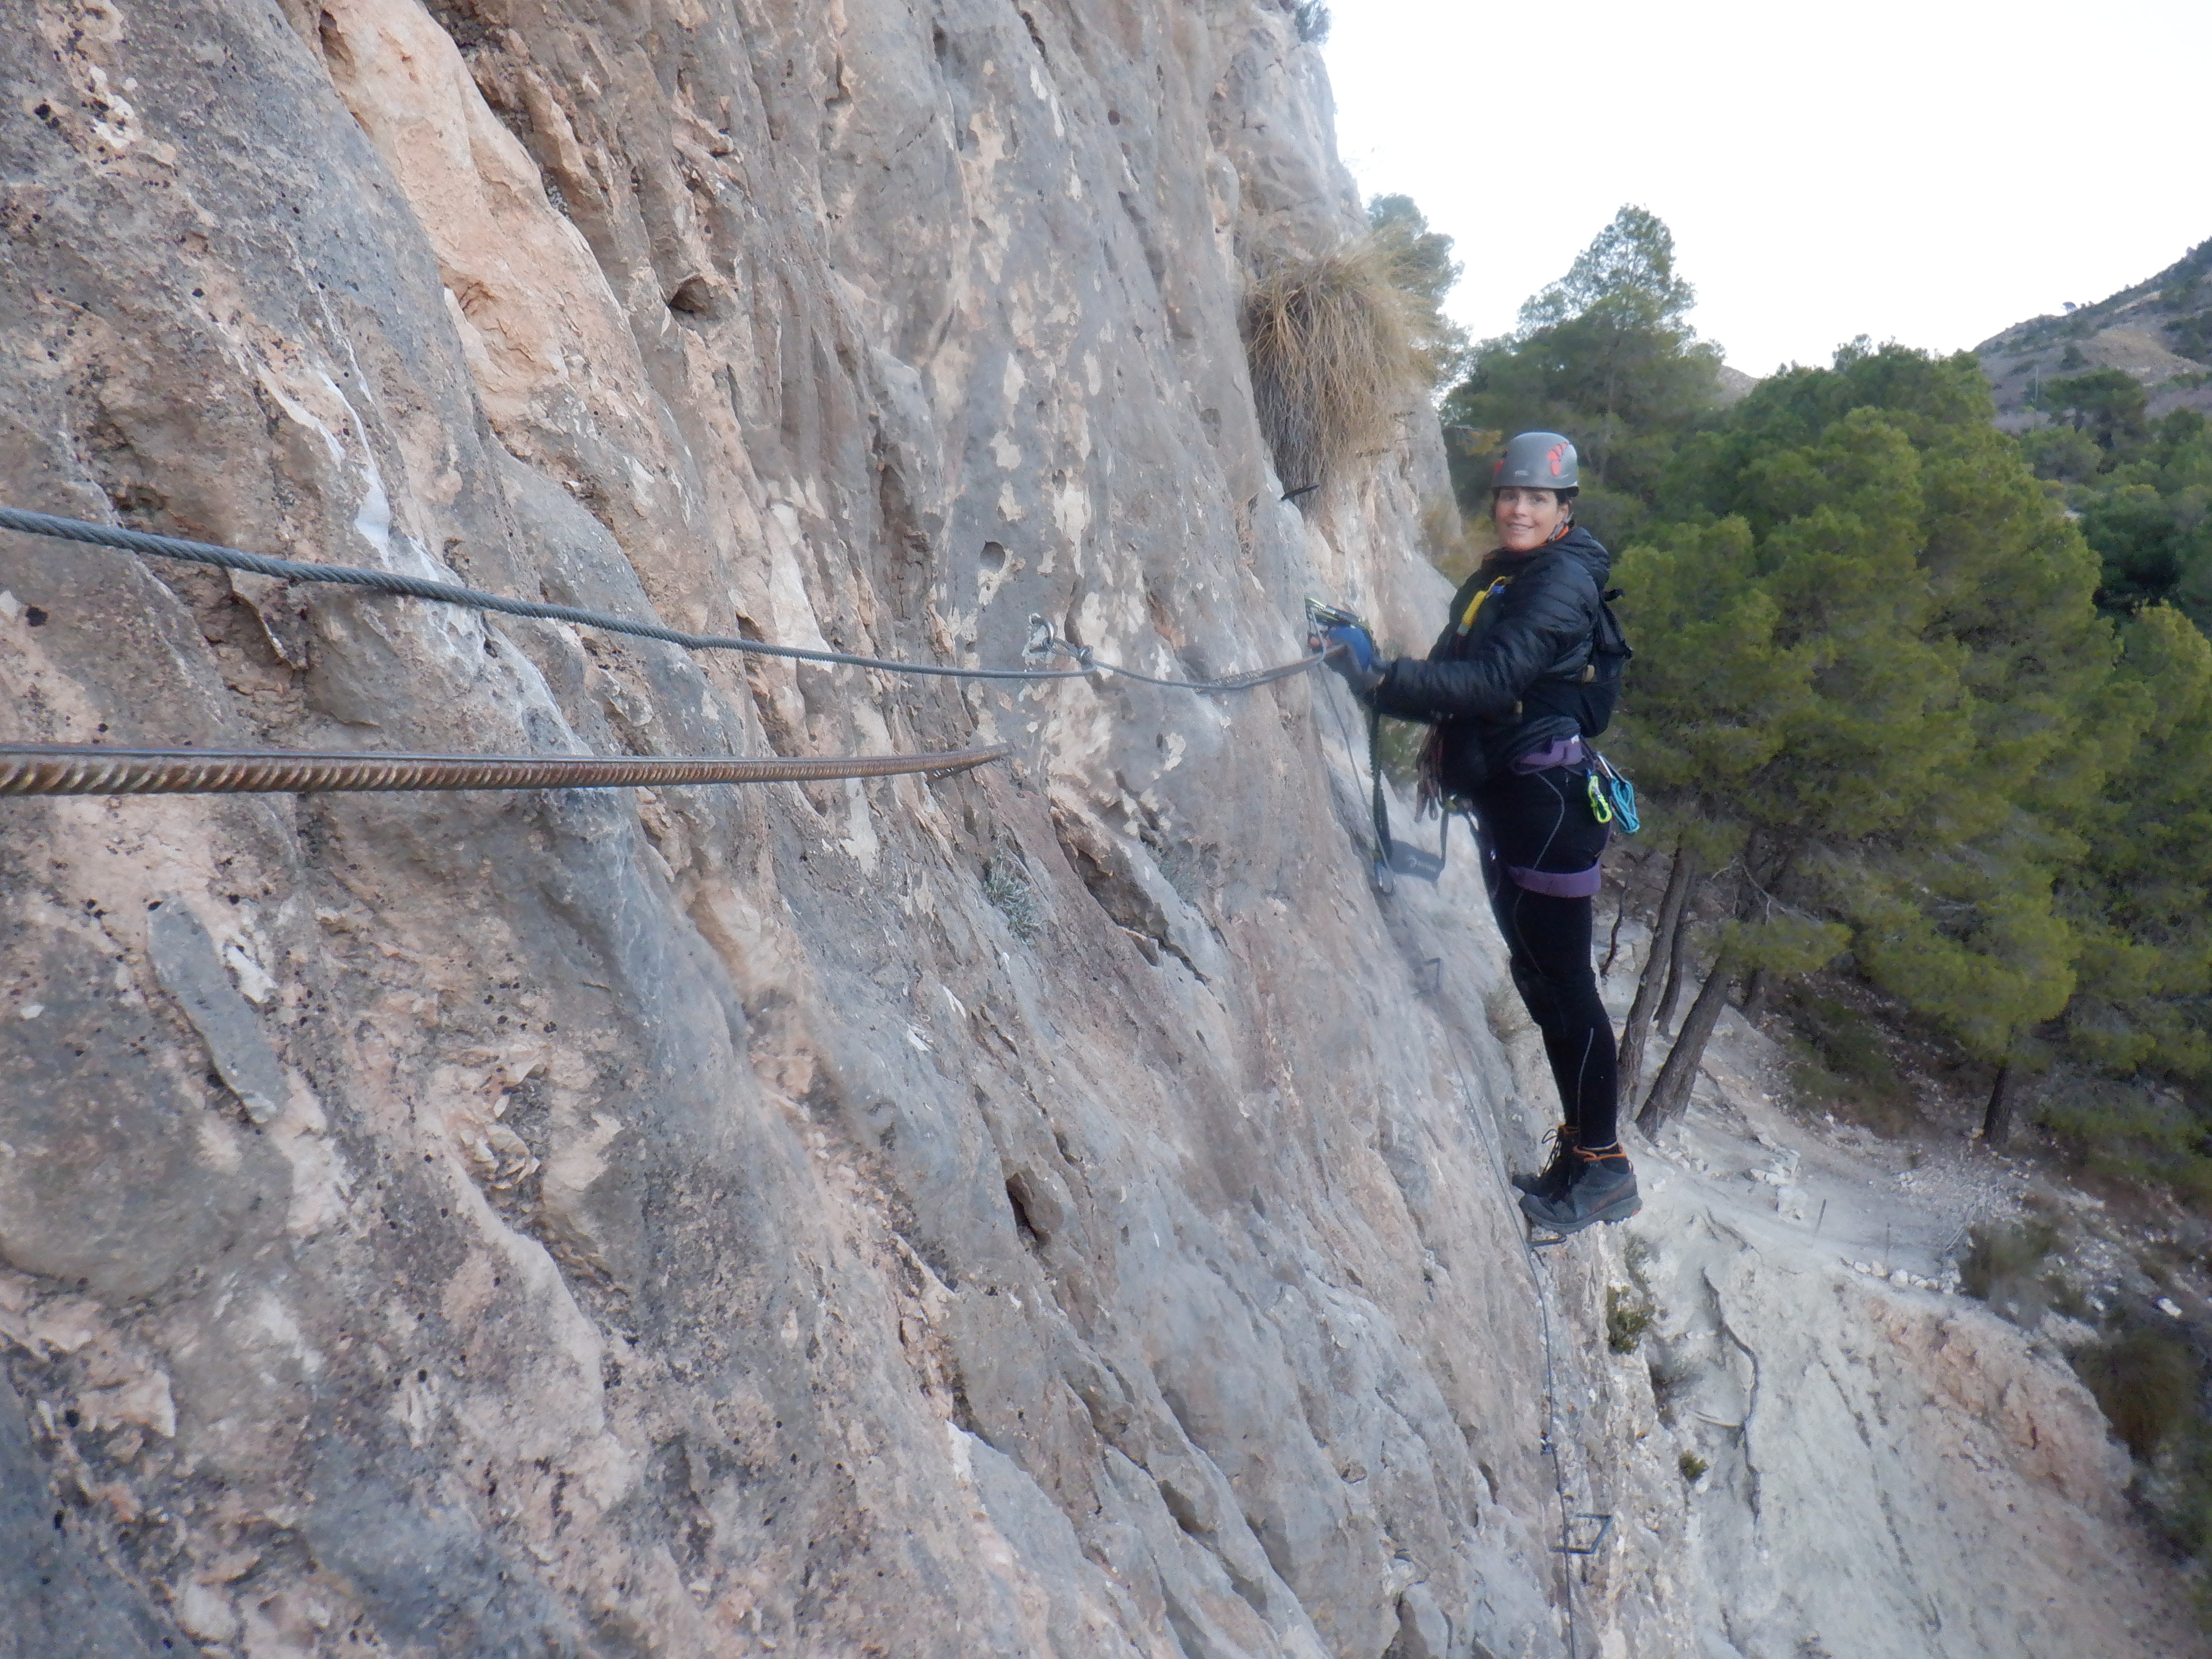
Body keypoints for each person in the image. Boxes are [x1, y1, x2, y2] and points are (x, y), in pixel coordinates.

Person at [1321, 431, 1636, 1235]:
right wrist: (1381, 671)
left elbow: (1494, 681)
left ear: (1564, 510)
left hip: (1546, 808)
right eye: (1511, 496)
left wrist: (1378, 676)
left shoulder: (1558, 581)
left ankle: (1605, 1167)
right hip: (1522, 802)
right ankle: (1583, 1156)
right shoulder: (1515, 571)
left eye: (1538, 499)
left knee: (1565, 988)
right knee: (1542, 983)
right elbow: (1460, 670)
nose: (1519, 509)